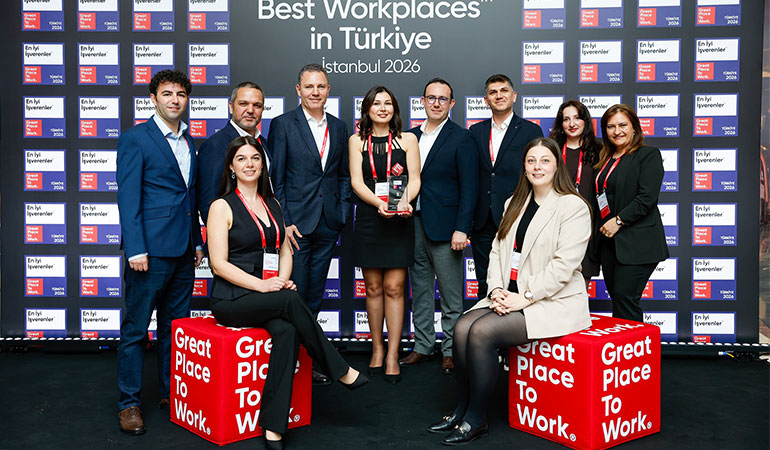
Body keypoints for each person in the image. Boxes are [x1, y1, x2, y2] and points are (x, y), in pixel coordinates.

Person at [207, 135, 368, 450]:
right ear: (231, 167)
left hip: (266, 296)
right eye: (241, 159)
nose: (249, 164)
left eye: (255, 158)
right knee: (292, 299)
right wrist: (264, 286)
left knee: (287, 331)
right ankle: (337, 368)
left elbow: (283, 251)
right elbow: (218, 264)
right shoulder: (221, 206)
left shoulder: (273, 204)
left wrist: (280, 280)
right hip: (231, 299)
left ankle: (273, 425)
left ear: (262, 165)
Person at [428, 137, 592, 445]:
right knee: (462, 327)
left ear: (557, 166)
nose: (537, 167)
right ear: (524, 167)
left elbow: (563, 266)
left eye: (545, 160)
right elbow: (497, 252)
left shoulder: (573, 207)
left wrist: (524, 297)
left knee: (481, 332)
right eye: (531, 161)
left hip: (551, 301)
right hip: (509, 295)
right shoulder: (514, 203)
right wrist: (496, 290)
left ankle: (476, 418)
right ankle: (462, 408)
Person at [116, 69, 205, 435]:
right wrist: (135, 248)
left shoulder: (190, 140)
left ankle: (172, 394)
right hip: (149, 253)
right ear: (153, 99)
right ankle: (129, 404)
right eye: (167, 94)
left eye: (180, 94)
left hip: (184, 251)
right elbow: (128, 197)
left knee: (175, 328)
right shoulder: (136, 138)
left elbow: (190, 196)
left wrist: (197, 241)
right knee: (136, 330)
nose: (174, 100)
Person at [268, 64, 351, 384]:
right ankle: (289, 362)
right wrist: (284, 222)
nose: (315, 92)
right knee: (296, 296)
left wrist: (341, 211)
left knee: (315, 296)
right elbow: (275, 180)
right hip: (296, 227)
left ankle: (308, 360)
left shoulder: (340, 127)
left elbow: (342, 175)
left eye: (321, 86)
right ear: (298, 90)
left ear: (328, 90)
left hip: (328, 222)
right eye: (309, 86)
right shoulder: (282, 124)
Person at [399, 78, 478, 374]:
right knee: (419, 290)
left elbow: (469, 187)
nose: (436, 103)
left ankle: (451, 350)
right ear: (422, 101)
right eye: (431, 98)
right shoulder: (409, 136)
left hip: (447, 228)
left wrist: (462, 228)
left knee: (450, 294)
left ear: (451, 104)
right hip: (412, 224)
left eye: (442, 99)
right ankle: (422, 346)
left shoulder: (462, 138)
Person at [348, 86, 421, 384]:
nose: (382, 108)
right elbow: (356, 182)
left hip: (399, 219)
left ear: (395, 109)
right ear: (367, 109)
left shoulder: (408, 139)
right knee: (373, 288)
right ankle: (377, 349)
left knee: (394, 288)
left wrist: (402, 202)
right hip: (370, 217)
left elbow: (415, 179)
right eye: (376, 103)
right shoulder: (357, 141)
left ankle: (393, 354)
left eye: (387, 103)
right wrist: (380, 204)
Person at [591, 104, 669, 322]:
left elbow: (647, 198)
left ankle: (635, 344)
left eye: (623, 125)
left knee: (626, 299)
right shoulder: (605, 159)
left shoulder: (648, 155)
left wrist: (618, 221)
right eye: (611, 126)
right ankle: (625, 343)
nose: (617, 131)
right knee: (619, 300)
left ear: (634, 127)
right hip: (609, 243)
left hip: (637, 243)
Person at [470, 74, 543, 300]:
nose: (498, 96)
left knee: (517, 278)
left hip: (518, 214)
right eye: (493, 92)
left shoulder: (531, 131)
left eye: (503, 91)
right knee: (485, 280)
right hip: (482, 219)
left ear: (514, 96)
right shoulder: (475, 132)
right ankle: (485, 321)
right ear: (486, 100)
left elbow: (537, 174)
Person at [197, 81, 269, 224]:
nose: (250, 110)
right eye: (243, 104)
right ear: (231, 107)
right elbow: (208, 203)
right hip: (235, 233)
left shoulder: (265, 143)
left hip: (267, 229)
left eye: (257, 105)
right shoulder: (215, 145)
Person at [549, 100, 602, 285]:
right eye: (566, 119)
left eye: (577, 118)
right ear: (561, 123)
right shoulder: (551, 150)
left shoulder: (599, 151)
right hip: (554, 224)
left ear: (585, 121)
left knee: (581, 285)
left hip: (587, 226)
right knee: (552, 280)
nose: (572, 124)